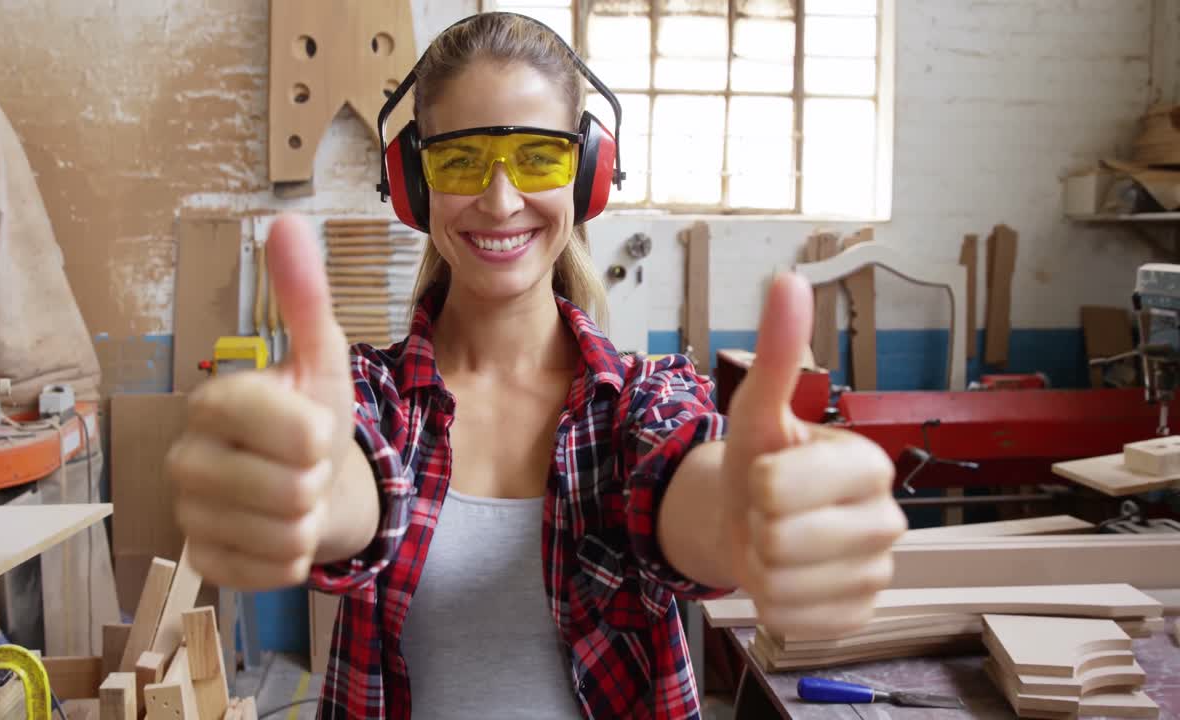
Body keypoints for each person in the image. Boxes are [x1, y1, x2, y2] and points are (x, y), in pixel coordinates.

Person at [167, 11, 906, 720]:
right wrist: (307, 491)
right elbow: (352, 488)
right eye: (458, 159)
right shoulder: (371, 396)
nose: (499, 198)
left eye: (537, 156)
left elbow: (684, 488)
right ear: (413, 184)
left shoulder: (642, 401)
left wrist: (747, 512)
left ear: (587, 172)